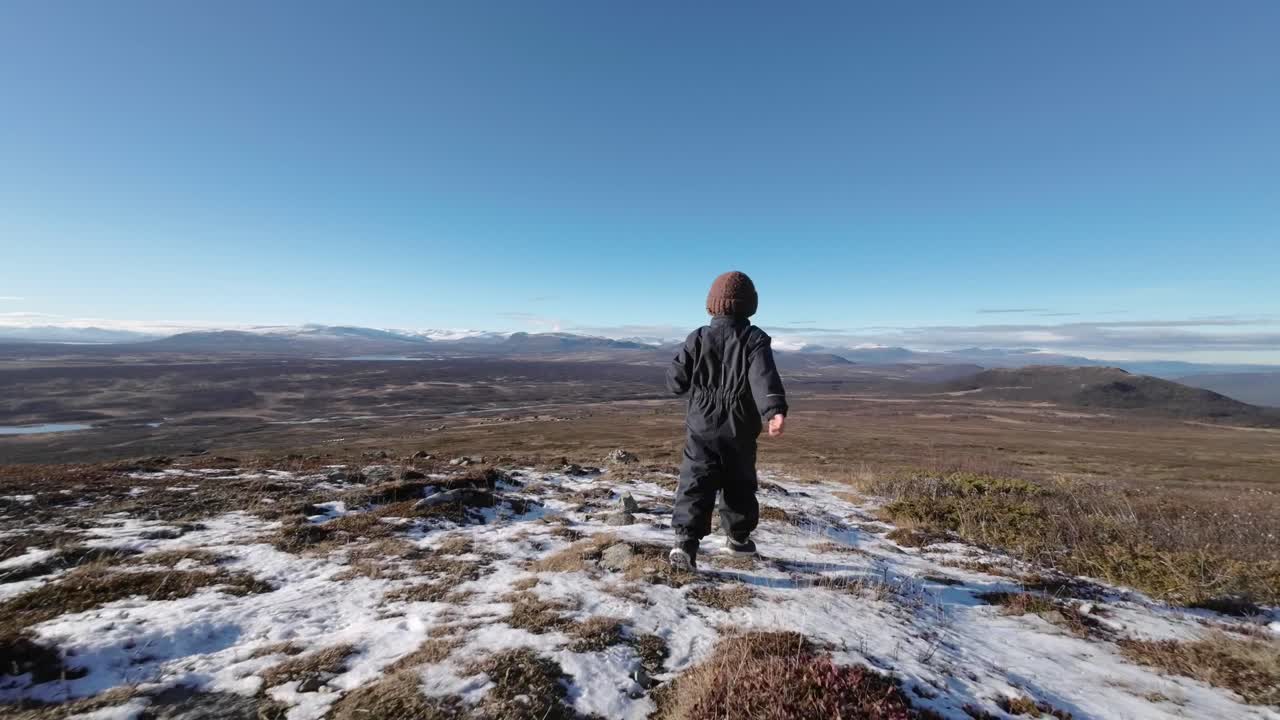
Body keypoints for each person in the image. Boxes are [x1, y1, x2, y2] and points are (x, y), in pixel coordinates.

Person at [665, 271, 787, 570]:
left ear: (712, 305)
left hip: (701, 423)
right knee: (740, 481)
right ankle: (738, 538)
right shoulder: (754, 339)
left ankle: (685, 543)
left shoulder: (698, 337)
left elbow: (676, 382)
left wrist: (680, 376)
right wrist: (774, 411)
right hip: (740, 425)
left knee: (696, 479)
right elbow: (763, 378)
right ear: (750, 306)